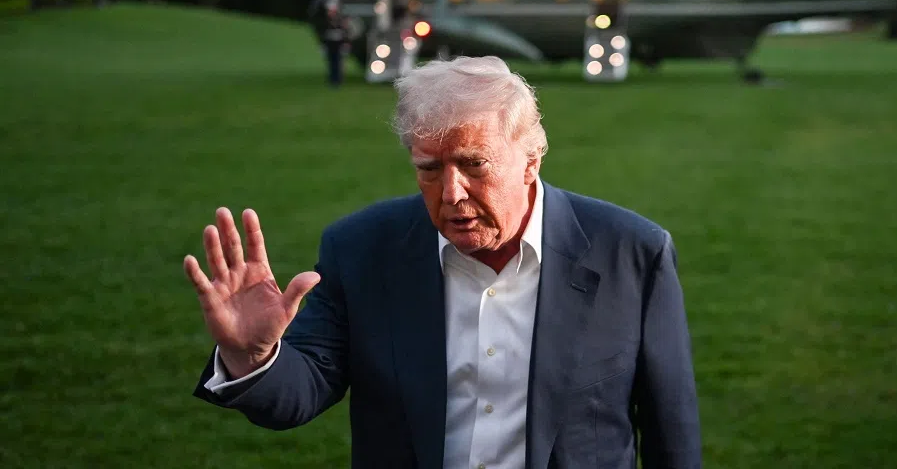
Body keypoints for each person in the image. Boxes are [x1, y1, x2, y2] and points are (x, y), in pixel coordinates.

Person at [185, 56, 702, 469]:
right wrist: (255, 356)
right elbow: (302, 392)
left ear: (531, 158)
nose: (451, 193)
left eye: (473, 164)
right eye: (429, 169)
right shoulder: (361, 248)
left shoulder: (632, 252)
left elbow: (670, 432)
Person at [322, 0, 350, 87]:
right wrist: (323, 45)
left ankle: (338, 80)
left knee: (338, 62)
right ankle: (332, 80)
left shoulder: (340, 20)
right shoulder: (325, 20)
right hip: (330, 44)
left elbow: (345, 32)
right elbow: (323, 33)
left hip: (339, 44)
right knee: (331, 62)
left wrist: (346, 43)